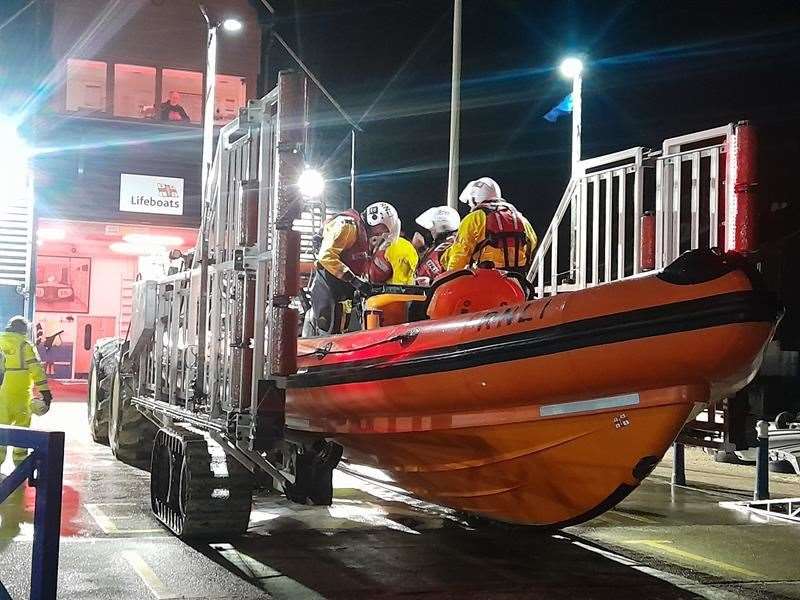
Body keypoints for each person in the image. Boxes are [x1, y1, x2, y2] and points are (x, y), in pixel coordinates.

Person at [305, 202, 401, 335]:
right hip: (329, 288)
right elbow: (326, 257)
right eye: (382, 230)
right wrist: (354, 280)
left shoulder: (362, 233)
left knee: (339, 331)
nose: (381, 234)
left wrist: (359, 283)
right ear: (375, 221)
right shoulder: (348, 226)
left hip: (341, 290)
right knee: (328, 333)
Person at [445, 177, 537, 273]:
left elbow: (460, 252)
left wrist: (451, 276)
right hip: (517, 277)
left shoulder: (474, 218)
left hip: (487, 277)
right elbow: (532, 242)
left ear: (475, 198)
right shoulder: (520, 218)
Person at [0, 316, 52, 466]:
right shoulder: (25, 346)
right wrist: (45, 392)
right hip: (22, 397)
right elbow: (37, 371)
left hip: (1, 397)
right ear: (24, 330)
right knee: (22, 430)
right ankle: (20, 466)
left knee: (1, 429)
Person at [414, 206, 461, 285]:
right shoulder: (441, 243)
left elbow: (453, 276)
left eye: (433, 227)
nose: (430, 230)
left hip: (437, 293)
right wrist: (421, 250)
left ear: (441, 226)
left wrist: (430, 282)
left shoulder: (450, 246)